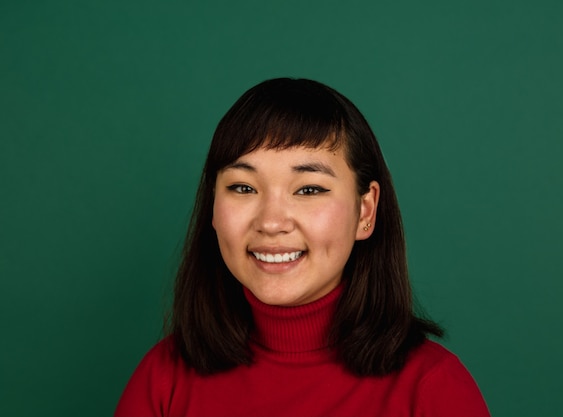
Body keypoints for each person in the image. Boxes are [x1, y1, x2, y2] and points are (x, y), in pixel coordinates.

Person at [114, 78, 491, 417]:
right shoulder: (164, 379)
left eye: (309, 189)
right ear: (212, 207)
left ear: (365, 211)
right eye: (243, 188)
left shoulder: (431, 389)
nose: (272, 222)